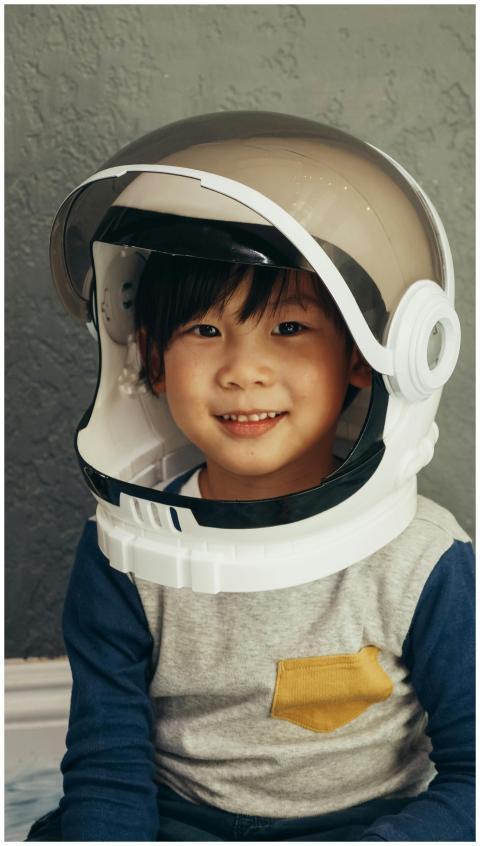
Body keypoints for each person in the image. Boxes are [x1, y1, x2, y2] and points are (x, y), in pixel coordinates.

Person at [27, 112, 474, 841]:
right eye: (204, 331)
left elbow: (473, 776)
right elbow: (111, 772)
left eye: (289, 329)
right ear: (150, 356)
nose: (243, 372)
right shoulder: (123, 556)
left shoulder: (424, 562)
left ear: (366, 355)